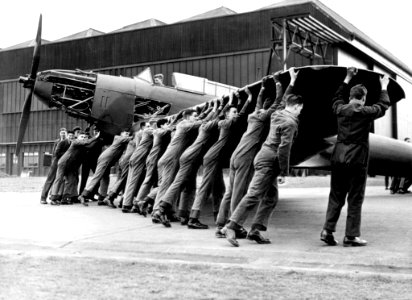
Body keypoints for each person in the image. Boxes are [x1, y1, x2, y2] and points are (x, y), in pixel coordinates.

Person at [222, 67, 303, 247]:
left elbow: (281, 102)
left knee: (271, 197)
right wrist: (284, 170)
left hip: (264, 157)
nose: (300, 112)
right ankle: (231, 225)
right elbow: (284, 147)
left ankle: (255, 230)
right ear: (297, 107)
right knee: (254, 195)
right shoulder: (289, 122)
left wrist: (291, 81)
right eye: (300, 109)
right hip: (270, 161)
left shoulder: (277, 114)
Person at [320, 67, 390, 247]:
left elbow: (336, 98)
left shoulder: (340, 109)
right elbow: (383, 106)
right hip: (357, 159)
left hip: (338, 157)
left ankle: (327, 230)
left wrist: (347, 78)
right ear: (363, 98)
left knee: (336, 195)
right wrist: (384, 87)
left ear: (350, 96)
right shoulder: (365, 111)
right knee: (355, 197)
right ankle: (351, 236)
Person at [215, 72, 286, 237]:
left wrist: (261, 88)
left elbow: (259, 102)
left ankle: (220, 224)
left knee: (230, 191)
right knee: (239, 193)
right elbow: (279, 101)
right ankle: (234, 226)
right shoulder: (264, 116)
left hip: (236, 154)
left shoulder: (253, 115)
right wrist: (278, 83)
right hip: (246, 156)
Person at [186, 90, 252, 230]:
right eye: (233, 112)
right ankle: (193, 218)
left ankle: (219, 218)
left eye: (235, 112)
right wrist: (249, 99)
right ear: (227, 114)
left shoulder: (223, 122)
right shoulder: (227, 123)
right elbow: (240, 115)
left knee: (219, 189)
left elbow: (234, 113)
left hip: (213, 158)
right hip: (213, 157)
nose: (235, 113)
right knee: (205, 188)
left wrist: (236, 101)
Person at [154, 99, 220, 224]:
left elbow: (199, 118)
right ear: (187, 117)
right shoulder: (185, 125)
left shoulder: (183, 124)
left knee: (186, 185)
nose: (196, 118)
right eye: (193, 116)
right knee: (167, 184)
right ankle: (158, 211)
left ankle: (178, 213)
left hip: (175, 157)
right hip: (172, 158)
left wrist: (208, 109)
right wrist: (216, 108)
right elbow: (203, 122)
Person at [78, 129, 132, 206]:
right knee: (97, 176)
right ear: (121, 133)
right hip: (106, 159)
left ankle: (101, 198)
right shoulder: (118, 138)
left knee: (105, 178)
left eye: (128, 133)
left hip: (108, 159)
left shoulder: (122, 140)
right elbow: (130, 139)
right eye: (125, 133)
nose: (127, 135)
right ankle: (83, 195)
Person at [49, 131, 101, 205]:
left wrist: (98, 139)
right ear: (78, 137)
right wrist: (96, 137)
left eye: (85, 137)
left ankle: (65, 198)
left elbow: (90, 145)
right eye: (81, 137)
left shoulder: (83, 145)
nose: (83, 138)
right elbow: (87, 143)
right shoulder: (75, 142)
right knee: (59, 179)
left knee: (70, 181)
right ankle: (53, 198)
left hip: (71, 165)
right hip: (64, 163)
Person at [134, 118, 172, 214]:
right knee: (149, 180)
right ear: (162, 125)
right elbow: (167, 130)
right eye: (167, 124)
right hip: (154, 158)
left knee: (153, 181)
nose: (168, 125)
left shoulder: (159, 131)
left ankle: (142, 202)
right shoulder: (158, 131)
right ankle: (139, 202)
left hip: (155, 158)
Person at [40, 128, 69, 204]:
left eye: (64, 133)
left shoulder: (68, 142)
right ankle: (43, 197)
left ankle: (56, 198)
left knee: (61, 180)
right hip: (56, 162)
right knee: (50, 180)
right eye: (61, 133)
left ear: (66, 134)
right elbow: (55, 153)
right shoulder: (57, 142)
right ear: (59, 134)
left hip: (63, 163)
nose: (63, 134)